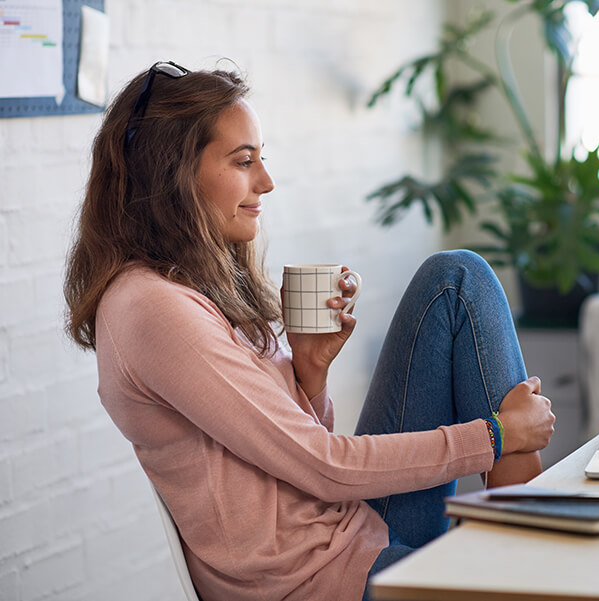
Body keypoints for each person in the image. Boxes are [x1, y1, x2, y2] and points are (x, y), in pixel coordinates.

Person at [63, 61, 555, 601]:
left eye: (261, 159)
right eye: (243, 161)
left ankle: (526, 557)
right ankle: (530, 559)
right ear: (172, 175)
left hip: (354, 539)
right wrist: (496, 435)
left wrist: (310, 374)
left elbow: (295, 457)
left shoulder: (193, 286)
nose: (266, 182)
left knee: (455, 279)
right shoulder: (151, 308)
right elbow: (322, 468)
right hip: (316, 583)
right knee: (459, 283)